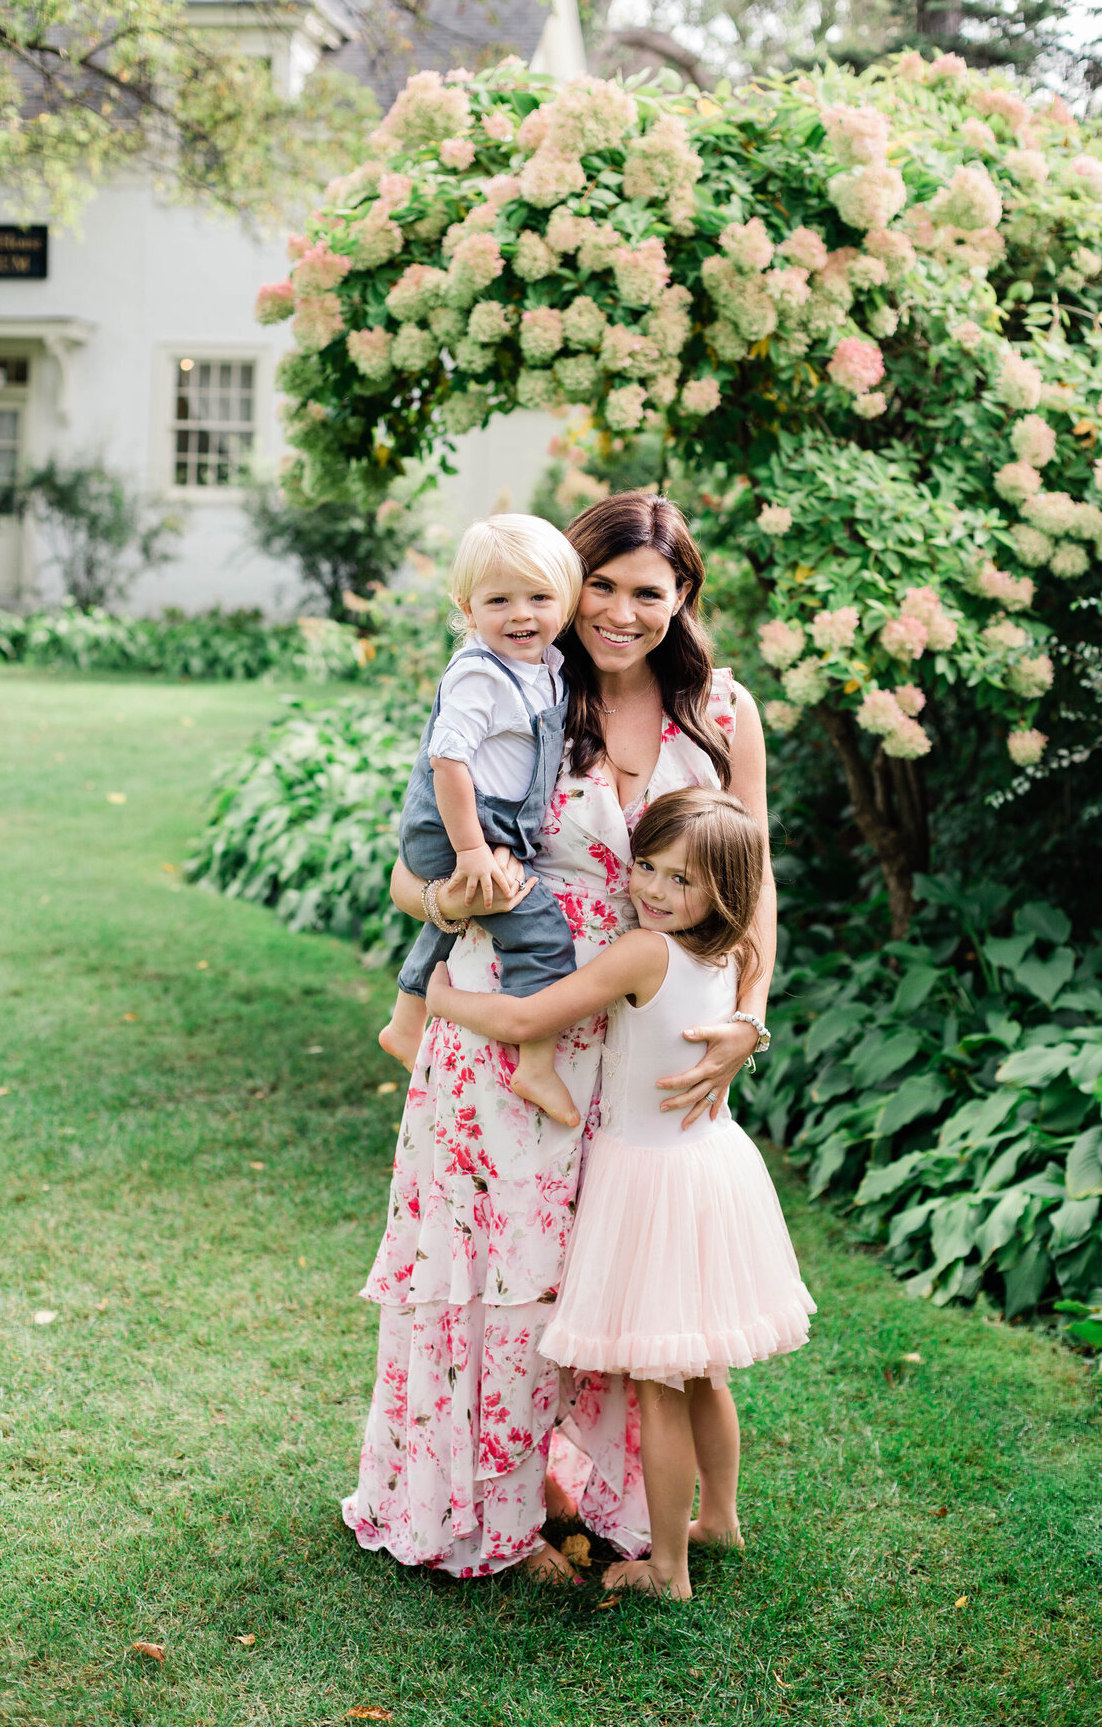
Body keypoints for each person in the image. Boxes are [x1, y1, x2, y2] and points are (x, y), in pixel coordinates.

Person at [342, 491, 777, 1581]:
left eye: (648, 593)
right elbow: (414, 869)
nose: (621, 614)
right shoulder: (512, 684)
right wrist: (457, 907)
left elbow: (754, 877)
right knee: (507, 1272)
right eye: (605, 588)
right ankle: (491, 1505)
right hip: (513, 1027)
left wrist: (750, 1014)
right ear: (566, 584)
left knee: (623, 1274)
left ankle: (629, 1504)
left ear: (683, 600)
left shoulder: (721, 715)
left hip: (643, 1047)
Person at [426, 788, 815, 1599]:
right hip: (712, 1170)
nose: (654, 889)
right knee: (705, 1370)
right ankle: (723, 1520)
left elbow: (537, 1011)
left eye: (683, 880)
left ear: (726, 890)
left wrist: (445, 1000)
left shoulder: (645, 951)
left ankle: (669, 1567)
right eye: (647, 866)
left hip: (650, 1185)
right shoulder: (737, 952)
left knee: (659, 1382)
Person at [378, 513, 586, 1128]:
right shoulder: (478, 673)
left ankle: (405, 1022)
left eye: (539, 598)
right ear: (467, 609)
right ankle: (536, 1064)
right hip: (454, 828)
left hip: (485, 825)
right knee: (541, 929)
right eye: (499, 601)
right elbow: (447, 760)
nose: (521, 615)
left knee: (458, 918)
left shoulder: (545, 665)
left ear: (566, 602)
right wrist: (471, 850)